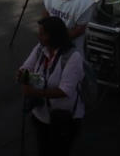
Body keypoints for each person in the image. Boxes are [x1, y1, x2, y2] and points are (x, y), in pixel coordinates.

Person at [18, 16, 85, 156]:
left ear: (54, 36)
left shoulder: (73, 57)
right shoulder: (40, 48)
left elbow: (64, 90)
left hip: (63, 119)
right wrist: (26, 76)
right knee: (43, 149)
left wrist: (33, 90)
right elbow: (25, 69)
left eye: (43, 34)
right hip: (41, 116)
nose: (39, 36)